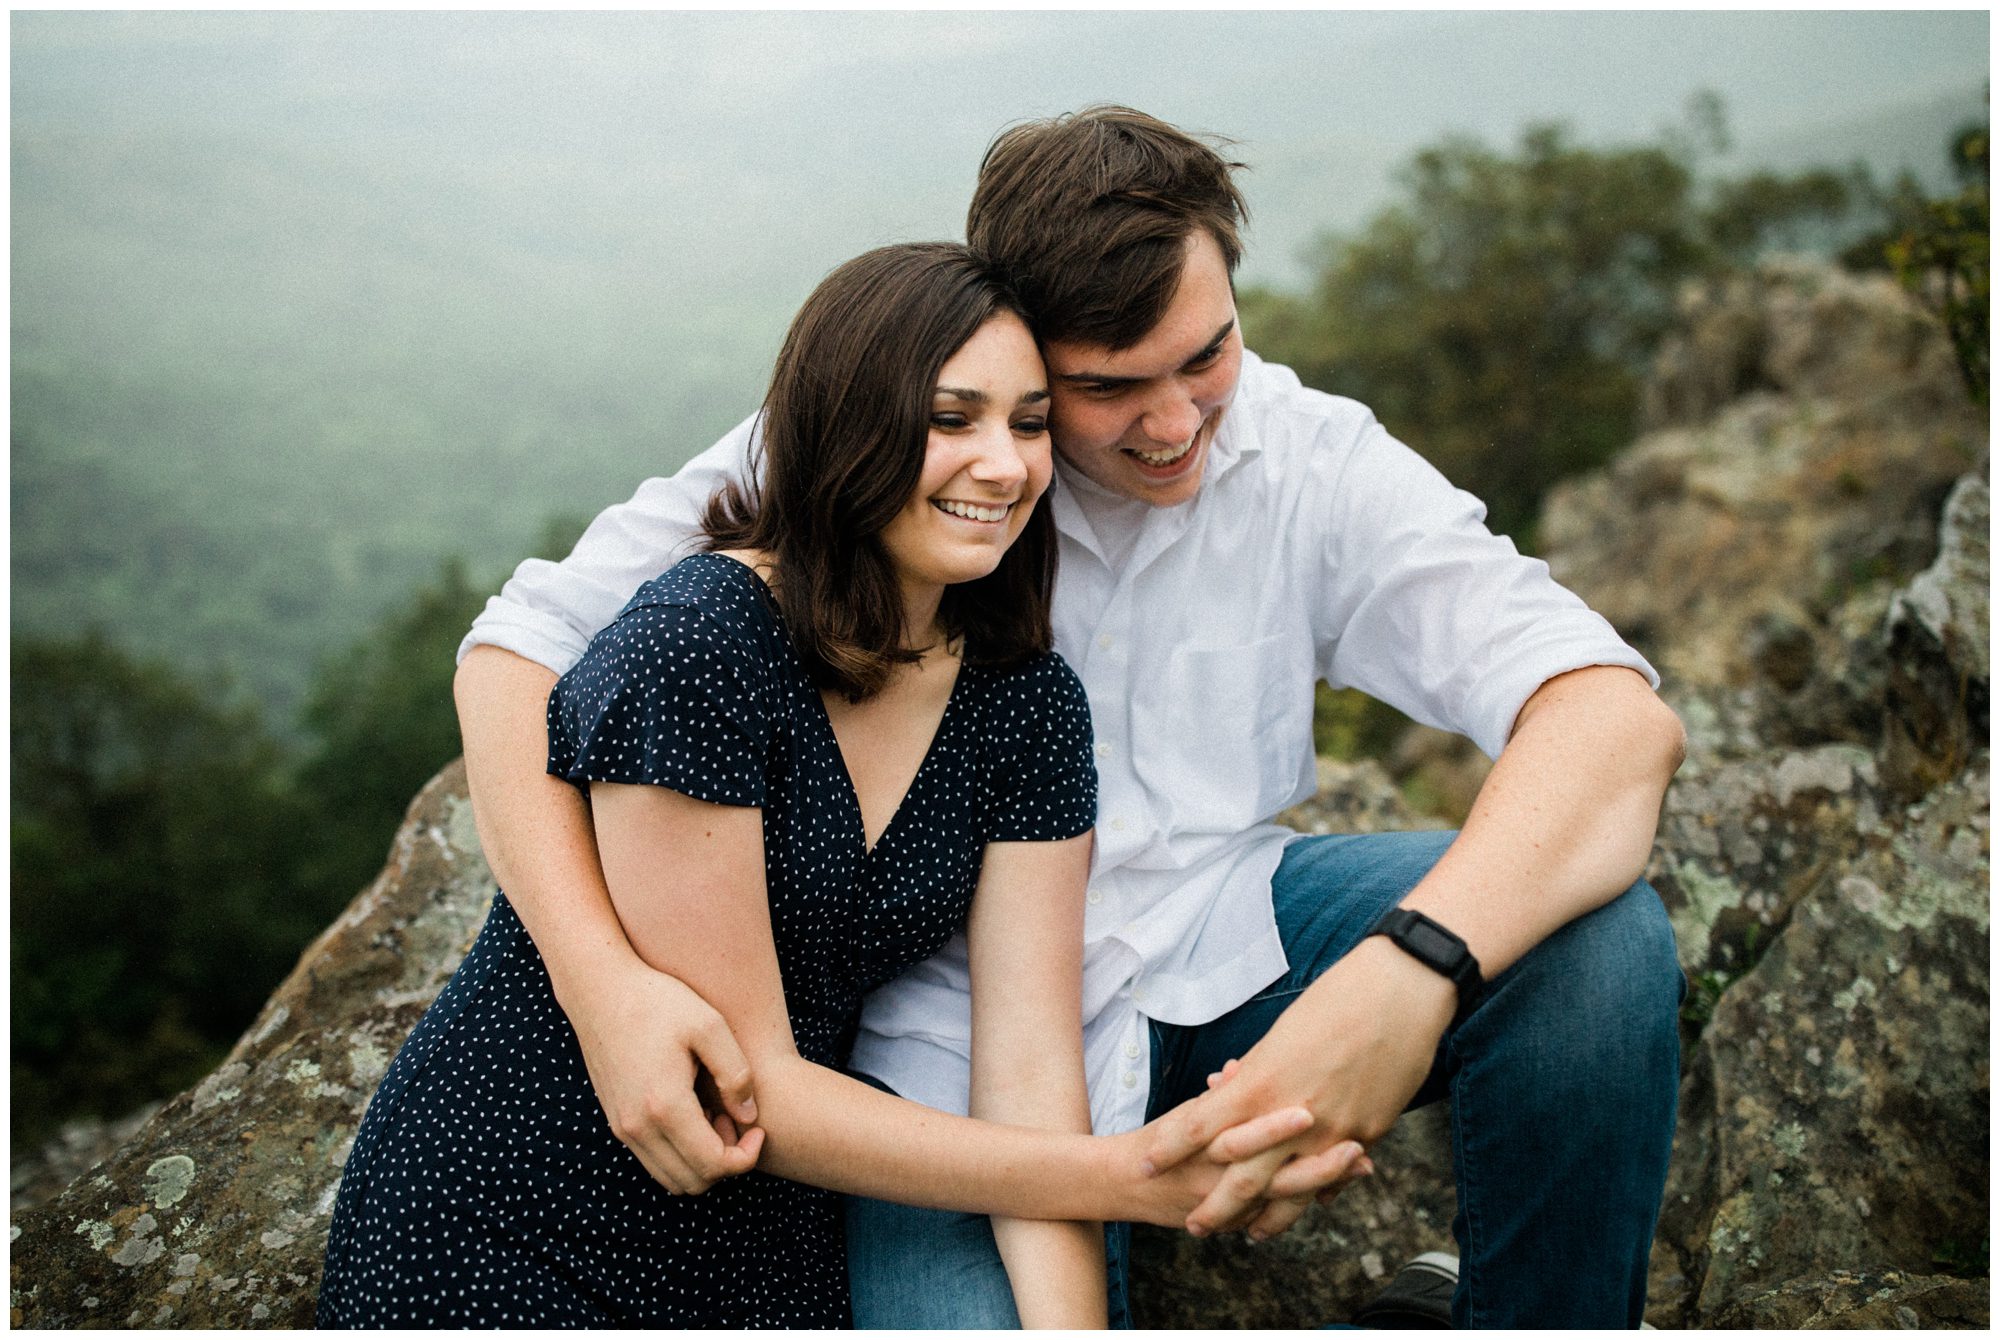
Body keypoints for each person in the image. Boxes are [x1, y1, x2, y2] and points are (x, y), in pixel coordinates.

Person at [454, 107, 1688, 1329]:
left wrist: (1407, 969)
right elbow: (518, 652)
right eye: (1106, 386)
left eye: (1205, 354)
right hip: (942, 1050)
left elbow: (1610, 716)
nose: (1174, 422)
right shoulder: (907, 445)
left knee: (1589, 944)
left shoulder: (1315, 462)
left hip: (1229, 947)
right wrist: (601, 983)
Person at [318, 243, 1329, 1328]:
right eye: (951, 419)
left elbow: (1031, 1070)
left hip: (765, 1237)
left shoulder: (1024, 701)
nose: (1003, 465)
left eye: (1029, 424)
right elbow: (748, 1075)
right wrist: (1131, 1177)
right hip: (521, 1210)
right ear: (850, 425)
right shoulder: (701, 648)